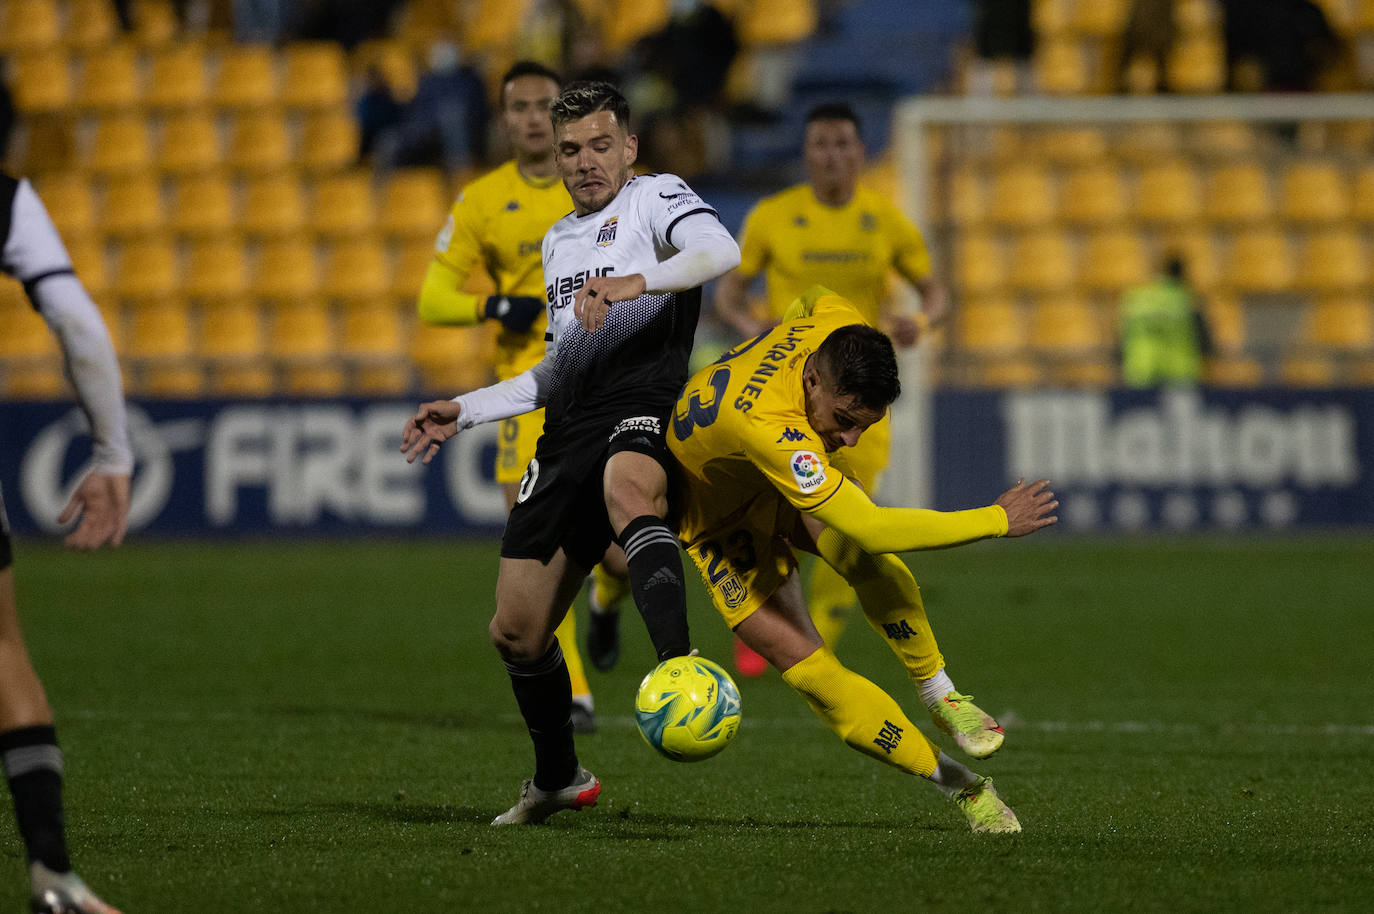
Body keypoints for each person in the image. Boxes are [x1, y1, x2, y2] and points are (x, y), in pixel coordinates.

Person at [402, 81, 741, 825]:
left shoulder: (655, 198)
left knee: (630, 489)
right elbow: (556, 371)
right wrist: (465, 409)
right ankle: (557, 778)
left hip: (647, 404)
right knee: (516, 632)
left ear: (629, 147)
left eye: (599, 145)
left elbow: (721, 250)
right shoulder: (558, 241)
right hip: (566, 435)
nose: (585, 161)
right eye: (569, 150)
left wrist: (635, 281)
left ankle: (680, 666)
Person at [671, 286, 1058, 832]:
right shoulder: (767, 423)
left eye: (865, 426)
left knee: (862, 560)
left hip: (763, 476)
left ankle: (942, 696)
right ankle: (962, 786)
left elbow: (812, 296)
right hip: (717, 524)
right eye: (844, 419)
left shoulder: (836, 321)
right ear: (811, 380)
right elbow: (874, 528)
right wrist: (995, 519)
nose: (850, 440)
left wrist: (776, 329)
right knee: (816, 675)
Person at [712, 102, 950, 675]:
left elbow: (937, 292)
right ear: (807, 151)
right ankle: (770, 614)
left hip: (856, 407)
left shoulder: (885, 220)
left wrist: (924, 321)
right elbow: (728, 293)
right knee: (776, 516)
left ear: (861, 152)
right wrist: (752, 330)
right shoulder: (773, 215)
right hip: (790, 397)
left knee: (850, 529)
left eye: (843, 143)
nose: (832, 155)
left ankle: (812, 639)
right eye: (821, 143)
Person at [416, 61, 607, 733]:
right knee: (538, 543)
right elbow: (433, 298)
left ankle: (609, 598)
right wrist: (495, 305)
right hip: (523, 395)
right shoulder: (482, 200)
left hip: (604, 381)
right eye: (518, 107)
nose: (531, 117)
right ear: (502, 120)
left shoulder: (601, 183)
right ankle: (576, 692)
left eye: (542, 105)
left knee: (619, 545)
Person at [1, 172, 131, 913]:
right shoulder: (7, 199)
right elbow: (76, 321)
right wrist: (112, 451)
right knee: (2, 647)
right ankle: (51, 871)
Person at [1119, 254, 1213, 388]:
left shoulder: (1137, 298)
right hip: (1180, 373)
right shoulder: (1186, 299)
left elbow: (1123, 337)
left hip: (1141, 371)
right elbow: (1204, 340)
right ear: (1182, 274)